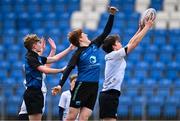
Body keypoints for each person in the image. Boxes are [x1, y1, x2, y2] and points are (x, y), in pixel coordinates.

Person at [51, 6, 118, 121]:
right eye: (83, 34)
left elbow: (106, 31)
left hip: (94, 86)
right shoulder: (77, 54)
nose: (86, 34)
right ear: (80, 39)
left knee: (84, 117)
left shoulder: (94, 44)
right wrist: (60, 85)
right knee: (71, 117)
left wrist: (111, 15)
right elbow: (68, 68)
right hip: (82, 85)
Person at [99, 18, 154, 121]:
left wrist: (140, 29)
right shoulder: (115, 55)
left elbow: (130, 43)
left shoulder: (114, 55)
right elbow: (134, 44)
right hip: (109, 95)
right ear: (114, 46)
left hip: (110, 95)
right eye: (118, 42)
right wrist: (147, 27)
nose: (120, 43)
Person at [23, 34, 75, 121]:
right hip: (33, 93)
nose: (41, 45)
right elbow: (45, 70)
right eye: (39, 43)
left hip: (37, 93)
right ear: (34, 46)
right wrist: (60, 70)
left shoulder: (36, 57)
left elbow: (55, 58)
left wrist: (69, 49)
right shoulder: (30, 57)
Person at [18, 38, 57, 120]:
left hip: (41, 95)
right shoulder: (32, 67)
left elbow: (46, 62)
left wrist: (53, 50)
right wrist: (60, 70)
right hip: (34, 95)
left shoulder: (39, 68)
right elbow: (39, 60)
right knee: (24, 115)